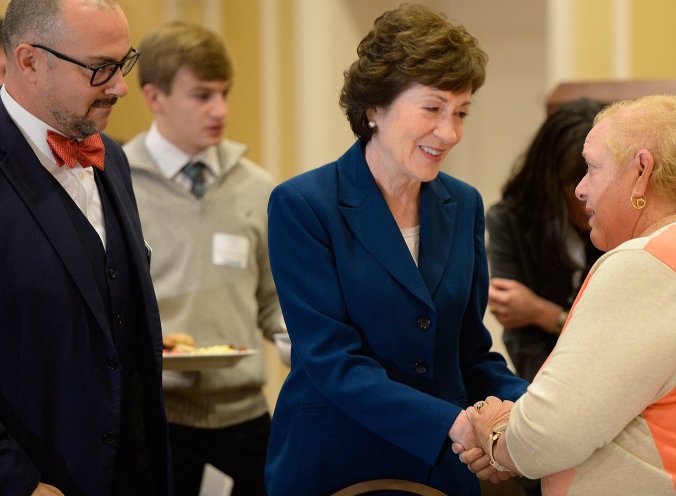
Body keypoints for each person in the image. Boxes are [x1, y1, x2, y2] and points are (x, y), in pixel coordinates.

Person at [263, 4, 527, 496]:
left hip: (442, 471)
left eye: (461, 113)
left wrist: (532, 410)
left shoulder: (464, 203)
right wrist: (458, 425)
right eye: (432, 108)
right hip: (337, 464)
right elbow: (331, 361)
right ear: (375, 108)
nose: (449, 133)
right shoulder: (303, 205)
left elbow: (470, 352)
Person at [457, 95, 676, 495]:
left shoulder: (645, 264)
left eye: (592, 168)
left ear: (641, 171)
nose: (580, 189)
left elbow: (548, 434)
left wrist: (496, 432)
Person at [0, 0, 172, 495]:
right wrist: (18, 482)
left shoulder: (112, 157)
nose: (121, 86)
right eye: (101, 69)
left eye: (124, 63)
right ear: (30, 60)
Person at [123, 21, 285, 496]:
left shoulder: (258, 187)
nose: (220, 110)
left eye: (225, 93)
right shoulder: (116, 184)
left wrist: (297, 339)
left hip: (247, 418)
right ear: (154, 98)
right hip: (158, 420)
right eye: (201, 96)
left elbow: (274, 300)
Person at [486, 98, 604, 383]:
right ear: (552, 181)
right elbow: (523, 345)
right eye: (575, 182)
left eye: (600, 179)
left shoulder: (622, 220)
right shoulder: (510, 222)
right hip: (550, 385)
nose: (588, 195)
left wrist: (545, 314)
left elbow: (621, 334)